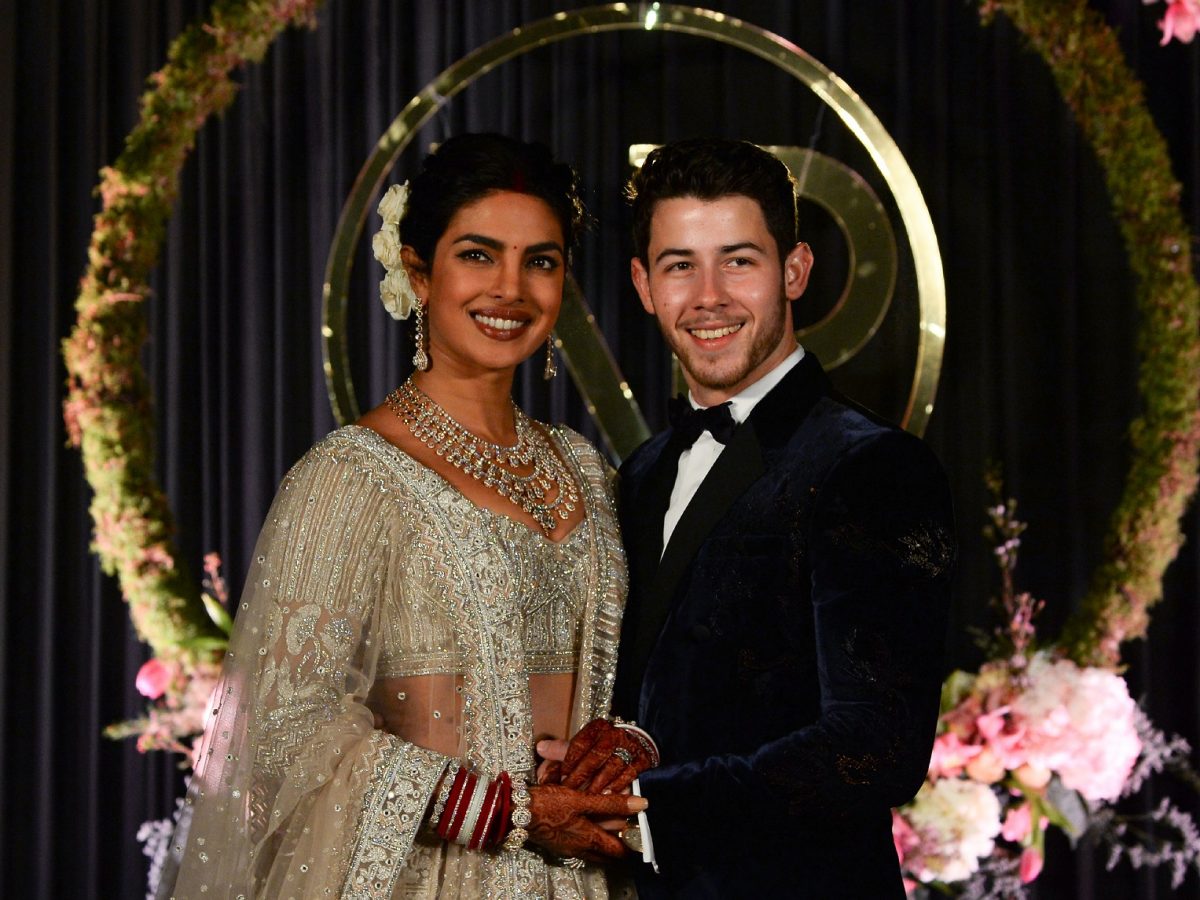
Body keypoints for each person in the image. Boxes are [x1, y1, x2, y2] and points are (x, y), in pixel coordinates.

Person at [157, 134, 650, 899]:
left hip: (583, 878)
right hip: (427, 878)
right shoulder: (350, 477)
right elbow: (287, 727)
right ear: (419, 272)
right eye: (478, 255)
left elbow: (638, 666)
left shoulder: (583, 467)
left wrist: (619, 745)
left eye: (541, 261)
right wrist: (508, 810)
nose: (511, 288)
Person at [552, 138, 956, 897]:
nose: (709, 296)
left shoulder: (872, 467)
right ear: (643, 283)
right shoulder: (639, 477)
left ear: (794, 270)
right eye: (680, 265)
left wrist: (644, 813)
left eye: (738, 260)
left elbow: (876, 745)